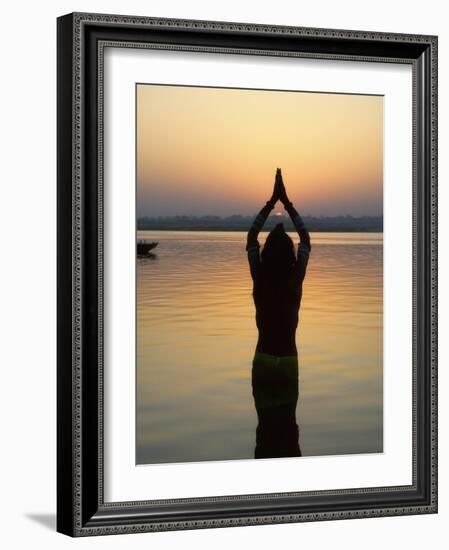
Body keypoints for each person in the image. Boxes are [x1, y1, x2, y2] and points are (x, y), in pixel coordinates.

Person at [247, 168, 310, 458]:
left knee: (264, 432)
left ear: (266, 253)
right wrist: (288, 202)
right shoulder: (294, 280)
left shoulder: (259, 278)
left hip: (263, 360)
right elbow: (307, 241)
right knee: (289, 431)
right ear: (290, 255)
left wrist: (272, 202)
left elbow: (250, 240)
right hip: (287, 361)